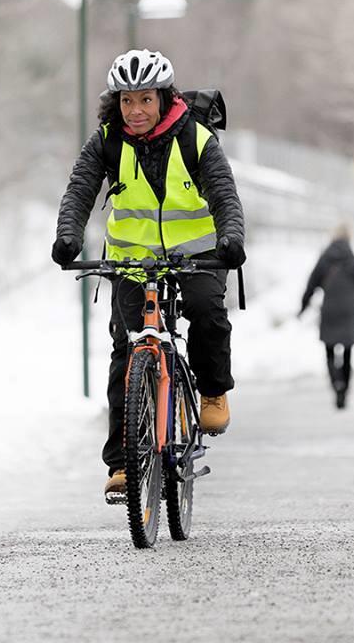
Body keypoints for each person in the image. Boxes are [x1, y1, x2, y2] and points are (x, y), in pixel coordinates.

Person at [52, 49, 246, 500]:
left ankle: (213, 391)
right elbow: (80, 189)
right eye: (126, 101)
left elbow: (223, 191)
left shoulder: (196, 137)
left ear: (162, 98)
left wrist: (230, 237)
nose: (135, 111)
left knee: (205, 312)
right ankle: (122, 464)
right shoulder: (106, 140)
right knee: (126, 348)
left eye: (144, 100)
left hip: (196, 254)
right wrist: (68, 235)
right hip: (131, 261)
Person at [299, 226, 354, 409]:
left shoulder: (324, 259)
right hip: (349, 311)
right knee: (347, 352)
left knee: (329, 350)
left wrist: (302, 309)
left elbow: (310, 285)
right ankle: (344, 390)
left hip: (329, 310)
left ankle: (336, 383)